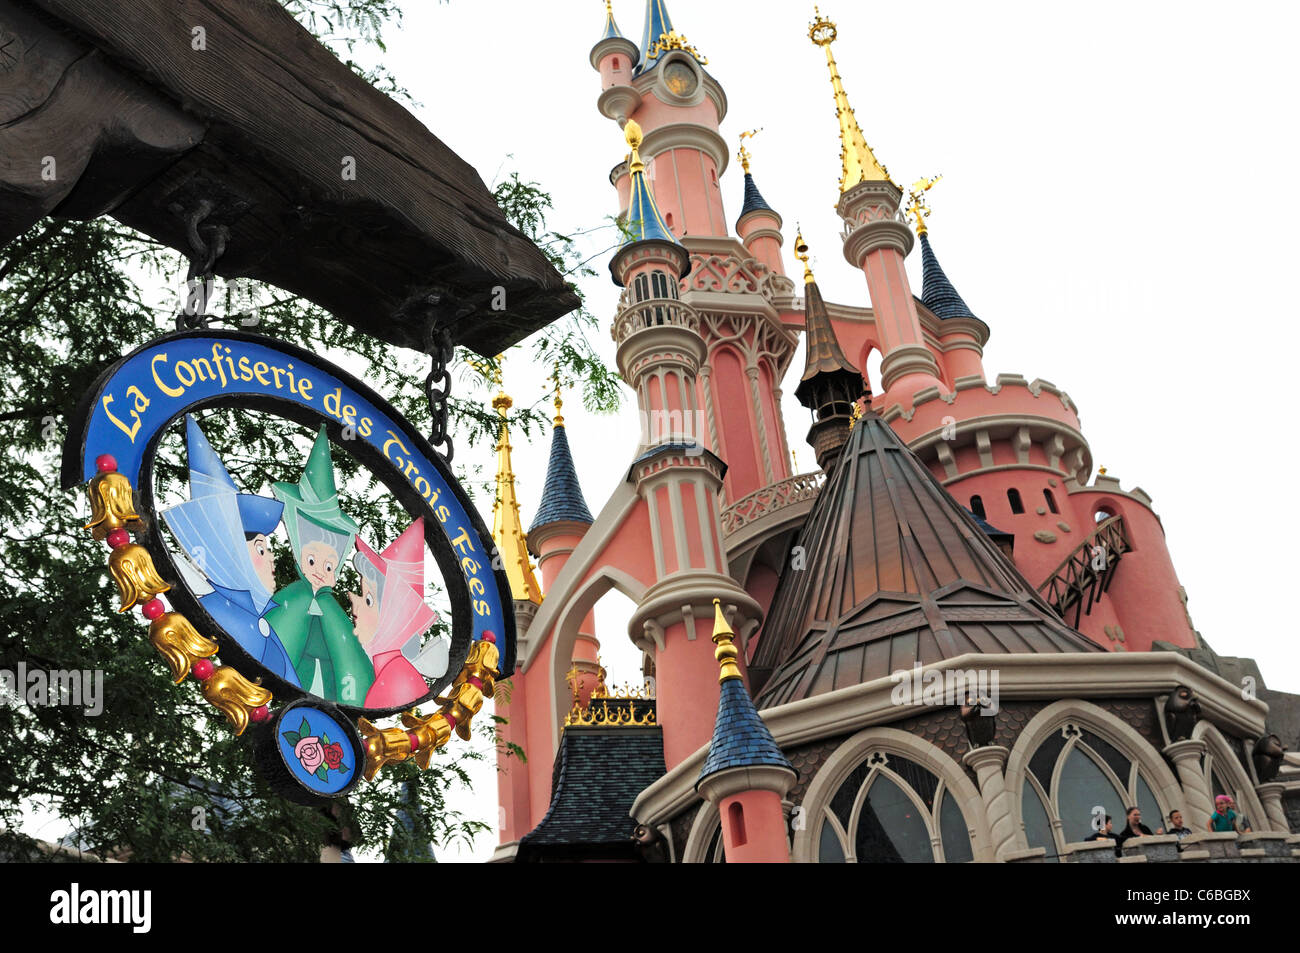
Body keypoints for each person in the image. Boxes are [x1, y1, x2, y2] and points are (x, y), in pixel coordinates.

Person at [162, 416, 299, 685]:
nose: (272, 559)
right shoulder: (208, 607)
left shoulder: (266, 625)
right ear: (228, 554)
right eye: (260, 550)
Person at [264, 426, 374, 704]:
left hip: (327, 691)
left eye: (329, 567)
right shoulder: (293, 598)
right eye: (312, 560)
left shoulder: (331, 608)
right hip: (290, 687)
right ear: (299, 553)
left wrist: (352, 703)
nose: (319, 571)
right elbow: (273, 641)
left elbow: (348, 655)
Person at [350, 518, 449, 709]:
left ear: (393, 618)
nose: (356, 607)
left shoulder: (397, 676)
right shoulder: (381, 668)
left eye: (368, 600)